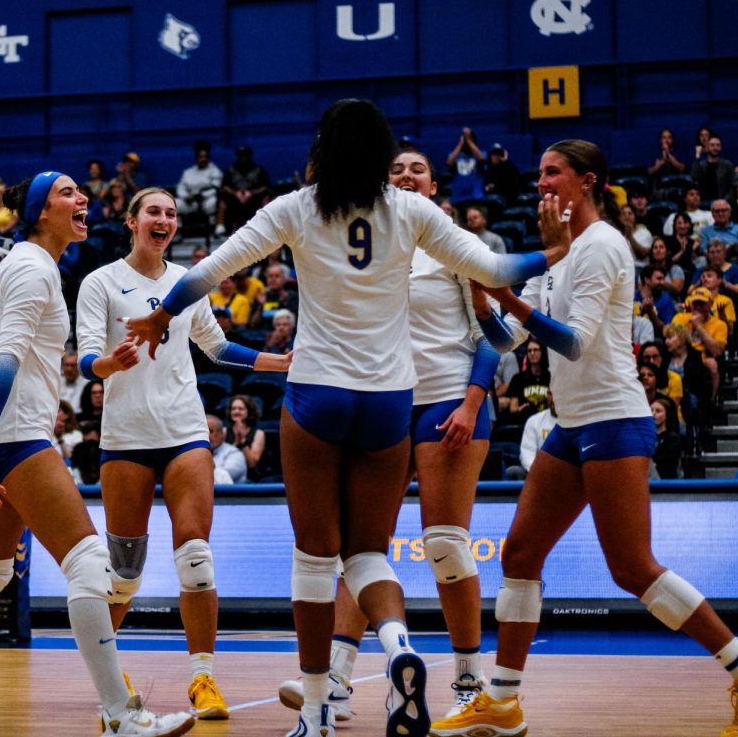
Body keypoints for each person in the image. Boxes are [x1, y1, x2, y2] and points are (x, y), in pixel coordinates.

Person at [126, 99, 567, 737]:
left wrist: (162, 314)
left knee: (314, 559)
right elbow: (498, 271)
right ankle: (399, 649)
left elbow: (210, 271)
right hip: (390, 402)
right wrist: (553, 248)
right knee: (368, 552)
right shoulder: (412, 211)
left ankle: (314, 713)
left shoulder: (297, 207)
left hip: (317, 394)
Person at [440, 138, 738, 737]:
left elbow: (573, 340)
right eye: (541, 175)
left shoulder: (603, 247)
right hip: (572, 424)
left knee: (632, 568)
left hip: (614, 419)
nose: (543, 183)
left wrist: (510, 304)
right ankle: (502, 703)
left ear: (589, 182)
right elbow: (509, 343)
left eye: (555, 174)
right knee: (521, 554)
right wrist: (482, 303)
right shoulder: (554, 254)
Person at [0, 172, 194, 737]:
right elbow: (5, 357)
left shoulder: (36, 265)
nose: (82, 200)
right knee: (87, 563)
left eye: (81, 193)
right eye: (67, 193)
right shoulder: (33, 268)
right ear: (39, 212)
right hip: (14, 436)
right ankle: (119, 713)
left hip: (12, 432)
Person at [278, 147, 504, 725]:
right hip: (381, 400)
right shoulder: (372, 240)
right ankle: (338, 678)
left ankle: (470, 680)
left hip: (447, 398)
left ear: (434, 182)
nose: (406, 176)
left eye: (417, 169)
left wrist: (473, 401)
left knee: (445, 543)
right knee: (360, 547)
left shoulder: (454, 244)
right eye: (396, 170)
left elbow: (494, 335)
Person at [76, 185, 291, 720]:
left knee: (196, 556)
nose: (164, 219)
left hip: (184, 433)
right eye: (154, 211)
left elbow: (217, 347)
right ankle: (109, 678)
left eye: (171, 213)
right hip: (124, 439)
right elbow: (84, 360)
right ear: (132, 221)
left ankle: (203, 678)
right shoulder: (100, 283)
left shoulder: (186, 283)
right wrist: (109, 366)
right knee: (124, 573)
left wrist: (278, 362)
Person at [176, 140, 225, 233]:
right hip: (190, 201)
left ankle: (212, 228)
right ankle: (177, 230)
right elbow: (181, 187)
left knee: (215, 202)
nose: (202, 159)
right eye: (200, 157)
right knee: (175, 204)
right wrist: (186, 196)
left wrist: (201, 195)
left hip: (206, 201)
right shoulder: (188, 172)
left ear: (208, 157)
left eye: (204, 157)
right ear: (196, 158)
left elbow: (216, 187)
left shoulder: (214, 171)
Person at [691, 134, 735, 204]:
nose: (715, 148)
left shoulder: (727, 165)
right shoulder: (701, 165)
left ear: (721, 148)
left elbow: (733, 186)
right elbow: (694, 176)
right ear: (707, 147)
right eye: (712, 145)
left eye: (718, 145)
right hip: (703, 203)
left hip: (723, 203)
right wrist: (697, 156)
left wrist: (725, 201)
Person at [446, 127, 485, 204]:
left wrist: (469, 140)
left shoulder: (481, 153)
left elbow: (482, 159)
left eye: (470, 139)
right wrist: (461, 143)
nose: (466, 142)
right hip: (458, 196)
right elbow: (449, 162)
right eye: (465, 138)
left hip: (475, 196)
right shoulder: (456, 155)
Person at [206, 414, 246, 483]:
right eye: (204, 432)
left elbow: (222, 477)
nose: (207, 435)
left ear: (222, 433)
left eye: (211, 431)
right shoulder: (196, 453)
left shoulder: (235, 454)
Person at [651, 397, 682, 479]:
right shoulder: (645, 437)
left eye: (658, 411)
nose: (653, 414)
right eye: (651, 410)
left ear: (667, 415)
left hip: (667, 482)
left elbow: (668, 462)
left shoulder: (673, 438)